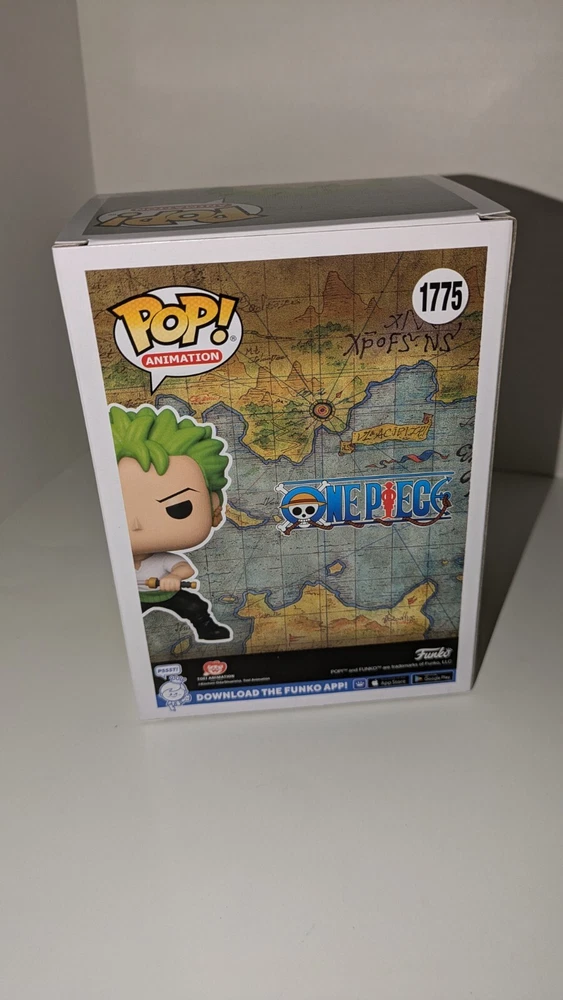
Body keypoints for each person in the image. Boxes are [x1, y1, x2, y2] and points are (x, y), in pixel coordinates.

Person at [109, 404, 232, 642]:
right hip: (133, 599)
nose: (135, 524)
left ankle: (207, 627)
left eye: (178, 507)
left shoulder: (162, 559)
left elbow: (185, 569)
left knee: (194, 606)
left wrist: (174, 578)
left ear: (213, 503)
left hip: (167, 594)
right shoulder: (116, 561)